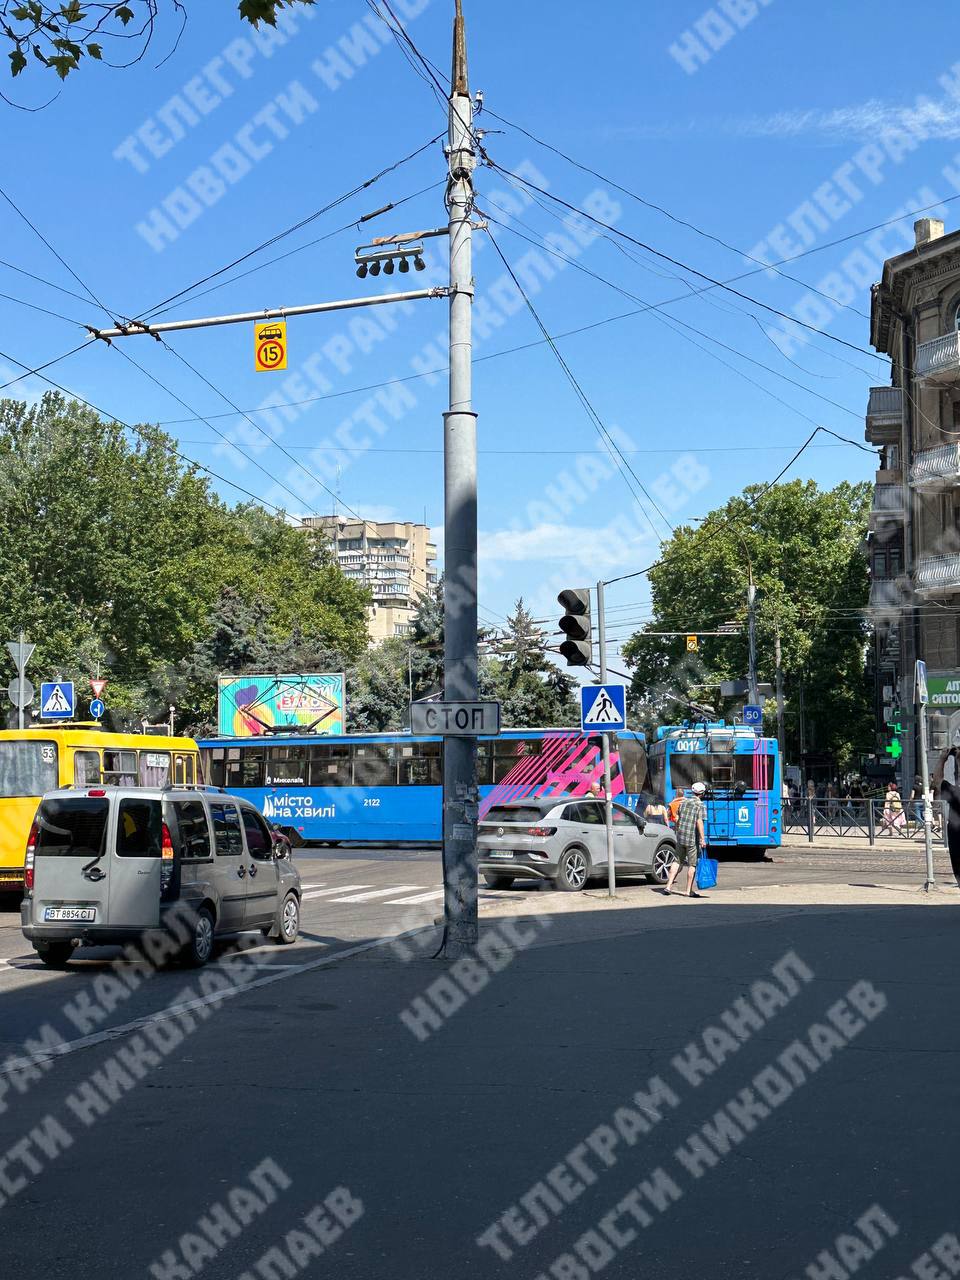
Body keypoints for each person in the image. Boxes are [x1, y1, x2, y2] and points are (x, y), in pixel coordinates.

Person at [664, 781, 706, 898]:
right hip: (692, 839)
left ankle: (668, 886)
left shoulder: (683, 802)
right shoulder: (700, 805)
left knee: (677, 861)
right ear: (702, 793)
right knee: (692, 865)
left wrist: (679, 829)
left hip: (680, 836)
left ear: (693, 791)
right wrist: (702, 839)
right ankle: (688, 891)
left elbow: (676, 818)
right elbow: (699, 822)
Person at [933, 748, 960, 884]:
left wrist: (942, 759)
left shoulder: (954, 792)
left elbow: (937, 780)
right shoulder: (954, 792)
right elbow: (938, 781)